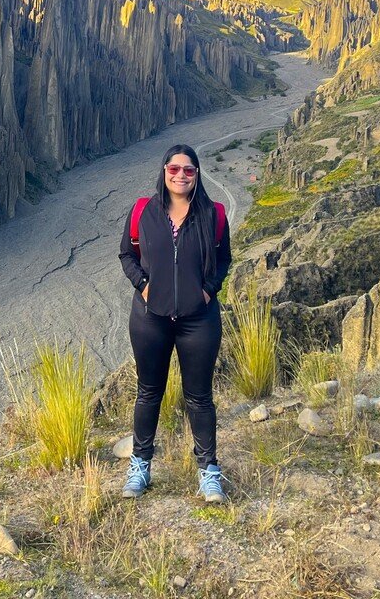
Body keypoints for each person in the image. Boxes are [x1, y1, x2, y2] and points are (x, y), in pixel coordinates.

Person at [117, 143, 232, 502]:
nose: (181, 175)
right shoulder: (143, 211)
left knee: (200, 397)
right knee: (149, 392)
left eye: (189, 170)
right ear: (164, 172)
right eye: (174, 169)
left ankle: (209, 471)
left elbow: (224, 260)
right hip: (150, 319)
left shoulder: (214, 215)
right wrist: (144, 286)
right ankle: (140, 465)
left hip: (198, 321)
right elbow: (126, 253)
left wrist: (207, 292)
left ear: (197, 175)